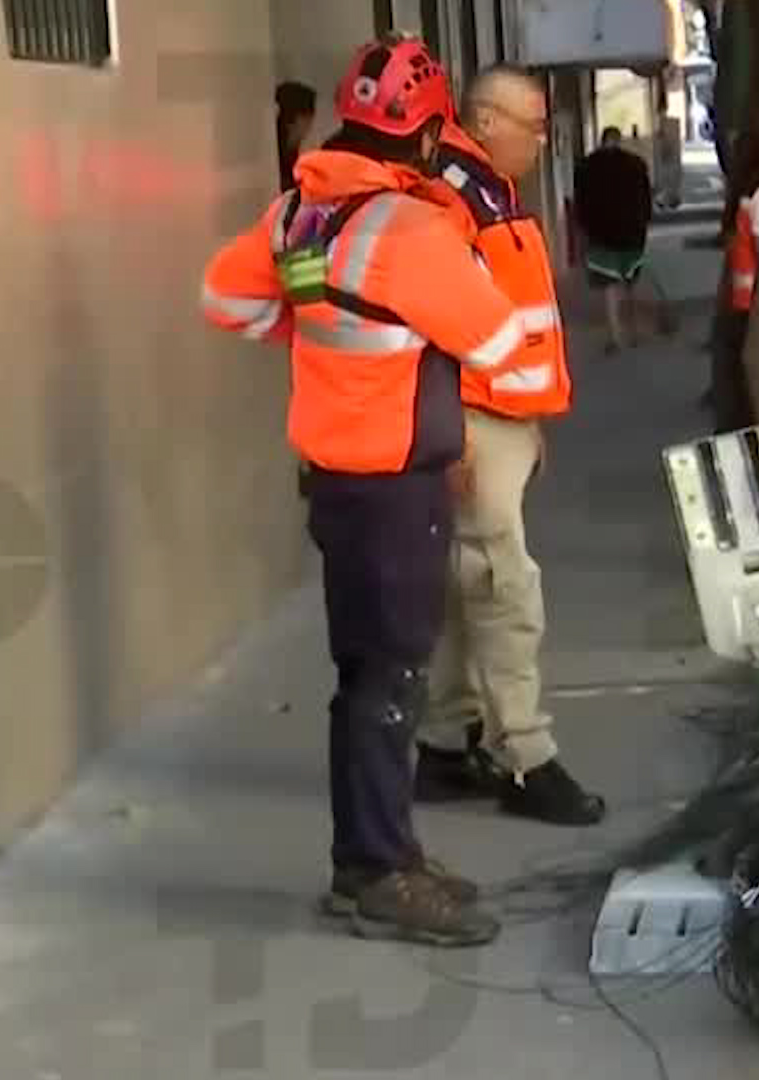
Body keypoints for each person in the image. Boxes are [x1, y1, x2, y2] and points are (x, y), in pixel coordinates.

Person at [201, 34, 527, 947]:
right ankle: (380, 872)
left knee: (366, 675)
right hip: (394, 490)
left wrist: (312, 331)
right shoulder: (409, 231)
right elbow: (497, 341)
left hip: (338, 488)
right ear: (425, 138)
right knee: (392, 680)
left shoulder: (298, 217)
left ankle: (370, 859)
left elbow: (225, 301)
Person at [407, 65, 608, 828]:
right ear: (487, 121)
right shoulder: (449, 197)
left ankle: (447, 744)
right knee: (503, 588)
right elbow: (428, 331)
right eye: (532, 125)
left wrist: (527, 423)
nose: (542, 139)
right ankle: (526, 756)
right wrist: (452, 433)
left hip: (500, 422)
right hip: (471, 424)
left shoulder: (485, 188)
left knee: (470, 586)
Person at [708, 130, 759, 434]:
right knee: (751, 360)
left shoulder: (744, 190)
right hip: (754, 293)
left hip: (741, 291)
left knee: (738, 355)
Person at [573, 125, 656, 352]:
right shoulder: (637, 164)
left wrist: (583, 231)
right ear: (619, 141)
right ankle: (635, 332)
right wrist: (644, 225)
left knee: (608, 285)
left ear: (602, 140)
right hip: (632, 233)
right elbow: (646, 200)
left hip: (601, 234)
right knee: (630, 283)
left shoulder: (586, 167)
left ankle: (615, 335)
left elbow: (581, 204)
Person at [274, 80, 317, 193]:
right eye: (309, 117)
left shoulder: (284, 151)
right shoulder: (279, 158)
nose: (311, 123)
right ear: (300, 118)